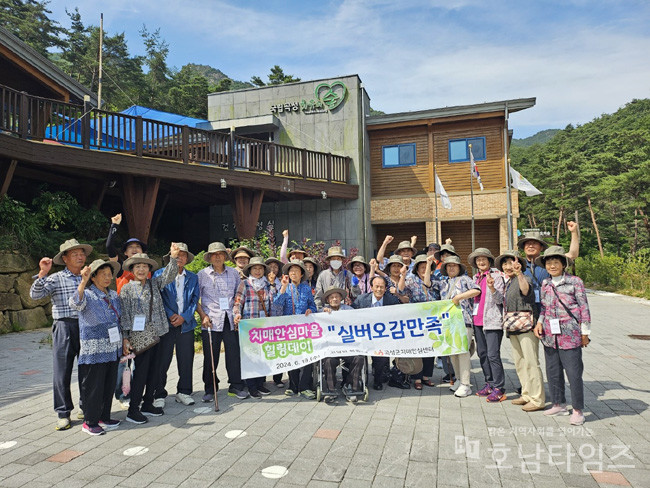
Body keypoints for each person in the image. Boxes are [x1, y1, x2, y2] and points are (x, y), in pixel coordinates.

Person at [30, 238, 92, 431]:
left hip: (87, 326)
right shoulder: (56, 278)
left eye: (82, 253)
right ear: (64, 258)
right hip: (64, 326)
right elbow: (35, 295)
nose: (80, 256)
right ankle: (63, 413)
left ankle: (85, 406)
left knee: (88, 369)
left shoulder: (88, 276)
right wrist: (43, 273)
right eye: (74, 254)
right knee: (62, 372)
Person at [120, 244, 179, 424]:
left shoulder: (154, 283)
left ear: (149, 269)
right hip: (139, 336)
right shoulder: (127, 289)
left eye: (144, 266)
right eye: (137, 266)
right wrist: (125, 337)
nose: (141, 269)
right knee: (141, 373)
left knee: (155, 371)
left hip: (159, 332)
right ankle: (133, 409)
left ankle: (148, 403)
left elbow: (169, 275)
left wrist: (174, 258)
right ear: (131, 269)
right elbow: (124, 314)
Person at [534, 246, 591, 425]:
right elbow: (544, 307)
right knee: (553, 371)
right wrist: (539, 322)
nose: (552, 265)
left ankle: (577, 410)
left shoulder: (575, 282)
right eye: (549, 263)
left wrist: (585, 333)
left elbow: (584, 308)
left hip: (571, 335)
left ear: (563, 264)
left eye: (555, 262)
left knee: (573, 373)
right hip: (550, 335)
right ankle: (558, 404)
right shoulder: (545, 284)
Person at [69, 259, 122, 436]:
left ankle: (104, 417)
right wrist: (82, 282)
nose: (108, 277)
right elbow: (75, 303)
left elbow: (119, 319)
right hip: (94, 350)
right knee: (93, 387)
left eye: (109, 274)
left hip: (113, 348)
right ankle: (90, 421)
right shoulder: (88, 294)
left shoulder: (113, 295)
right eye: (103, 274)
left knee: (108, 385)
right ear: (93, 277)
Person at [197, 242, 250, 401]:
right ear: (210, 257)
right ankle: (210, 388)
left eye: (220, 254)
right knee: (210, 357)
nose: (218, 257)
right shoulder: (202, 274)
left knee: (233, 355)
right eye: (214, 254)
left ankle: (235, 385)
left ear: (225, 256)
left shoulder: (233, 273)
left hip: (229, 319)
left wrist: (237, 313)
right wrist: (203, 315)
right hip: (210, 320)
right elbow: (195, 299)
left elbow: (237, 297)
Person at [495, 250, 545, 412]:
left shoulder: (524, 278)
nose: (507, 266)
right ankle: (526, 393)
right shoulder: (508, 282)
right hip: (514, 326)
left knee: (531, 362)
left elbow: (525, 291)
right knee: (520, 363)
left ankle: (537, 399)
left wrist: (520, 274)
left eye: (511, 263)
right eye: (505, 263)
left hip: (527, 325)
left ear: (519, 265)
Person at [152, 243, 200, 408]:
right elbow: (156, 298)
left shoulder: (193, 277)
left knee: (186, 359)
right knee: (162, 360)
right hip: (166, 324)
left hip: (186, 324)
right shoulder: (159, 275)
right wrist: (170, 314)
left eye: (183, 255)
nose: (180, 257)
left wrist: (185, 317)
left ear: (187, 258)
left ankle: (184, 392)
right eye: (176, 254)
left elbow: (195, 300)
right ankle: (158, 393)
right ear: (170, 257)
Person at [233, 256, 276, 399]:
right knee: (250, 356)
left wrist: (273, 285)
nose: (257, 271)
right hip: (249, 326)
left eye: (260, 268)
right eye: (255, 268)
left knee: (263, 355)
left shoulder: (267, 285)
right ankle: (251, 386)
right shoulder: (245, 284)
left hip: (264, 326)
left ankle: (260, 384)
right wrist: (237, 314)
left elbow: (273, 302)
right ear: (250, 270)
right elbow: (238, 301)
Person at [273, 259, 317, 399]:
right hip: (289, 329)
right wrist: (283, 288)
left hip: (304, 329)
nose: (293, 273)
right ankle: (293, 386)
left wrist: (310, 309)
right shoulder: (285, 287)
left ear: (301, 273)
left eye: (296, 271)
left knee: (307, 357)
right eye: (291, 271)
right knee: (291, 357)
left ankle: (304, 387)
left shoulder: (306, 288)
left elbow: (313, 306)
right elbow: (277, 305)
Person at [438, 256, 481, 398]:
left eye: (454, 266)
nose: (451, 268)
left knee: (463, 353)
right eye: (448, 266)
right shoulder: (443, 283)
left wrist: (459, 297)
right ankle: (458, 379)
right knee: (453, 353)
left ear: (459, 268)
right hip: (448, 323)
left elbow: (477, 290)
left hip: (464, 321)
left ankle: (466, 384)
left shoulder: (464, 279)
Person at [518, 224, 579, 321]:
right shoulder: (519, 265)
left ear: (541, 247)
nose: (530, 246)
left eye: (534, 243)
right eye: (527, 243)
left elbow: (572, 254)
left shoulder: (548, 263)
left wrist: (574, 232)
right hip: (526, 310)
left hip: (548, 309)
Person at [469, 248, 507, 403]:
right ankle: (489, 383)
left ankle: (499, 388)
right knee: (482, 354)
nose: (481, 262)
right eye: (478, 260)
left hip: (492, 322)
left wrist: (491, 287)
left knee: (493, 355)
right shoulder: (475, 278)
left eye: (484, 259)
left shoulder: (497, 276)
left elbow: (500, 300)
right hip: (477, 321)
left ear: (490, 261)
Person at [353, 275, 401, 390]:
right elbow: (350, 314)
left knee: (381, 358)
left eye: (382, 287)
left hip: (382, 337)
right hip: (364, 336)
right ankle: (355, 381)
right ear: (371, 287)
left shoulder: (392, 301)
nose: (379, 289)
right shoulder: (361, 299)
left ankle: (378, 380)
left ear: (385, 288)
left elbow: (400, 316)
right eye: (376, 286)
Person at [400, 254, 439, 389]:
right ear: (416, 269)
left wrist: (429, 265)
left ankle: (426, 376)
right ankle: (417, 377)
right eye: (421, 267)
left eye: (426, 266)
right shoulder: (411, 279)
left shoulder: (435, 279)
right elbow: (400, 290)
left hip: (432, 318)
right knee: (418, 348)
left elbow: (429, 284)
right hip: (416, 319)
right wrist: (403, 276)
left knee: (430, 347)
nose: (424, 269)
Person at [320, 286, 364, 403]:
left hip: (348, 347)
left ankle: (350, 386)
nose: (334, 299)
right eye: (332, 297)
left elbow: (360, 320)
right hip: (331, 349)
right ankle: (331, 389)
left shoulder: (349, 310)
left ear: (341, 299)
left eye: (337, 297)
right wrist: (322, 314)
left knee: (359, 358)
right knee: (328, 360)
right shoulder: (322, 312)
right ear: (328, 300)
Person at [264, 256, 284, 387]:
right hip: (265, 320)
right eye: (270, 266)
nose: (273, 269)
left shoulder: (281, 282)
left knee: (279, 349)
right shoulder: (262, 281)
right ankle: (262, 379)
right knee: (266, 349)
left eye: (275, 267)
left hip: (279, 320)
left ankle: (278, 378)